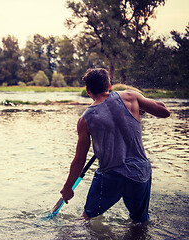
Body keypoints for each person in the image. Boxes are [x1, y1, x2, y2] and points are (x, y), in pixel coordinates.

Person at [60, 68, 170, 223]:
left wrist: (67, 188)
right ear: (109, 85)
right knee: (140, 223)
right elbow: (165, 111)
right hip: (139, 173)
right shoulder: (130, 97)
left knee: (86, 220)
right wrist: (140, 106)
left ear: (88, 90)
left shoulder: (85, 119)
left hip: (110, 177)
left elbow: (79, 159)